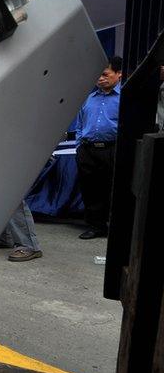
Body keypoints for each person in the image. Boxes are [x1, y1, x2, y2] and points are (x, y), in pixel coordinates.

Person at [74, 56, 122, 239]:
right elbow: (79, 124)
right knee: (90, 189)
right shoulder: (89, 98)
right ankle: (96, 226)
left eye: (105, 74)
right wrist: (79, 147)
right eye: (97, 75)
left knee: (113, 189)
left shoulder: (124, 98)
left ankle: (115, 228)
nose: (100, 78)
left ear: (118, 74)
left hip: (112, 149)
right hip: (88, 150)